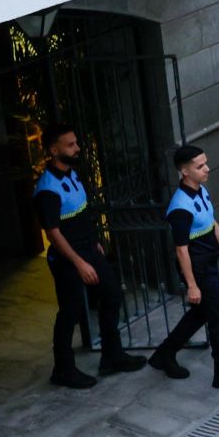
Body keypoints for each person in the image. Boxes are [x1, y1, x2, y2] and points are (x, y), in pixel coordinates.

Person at [34, 124, 146, 389]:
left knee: (112, 295)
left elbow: (81, 213)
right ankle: (63, 369)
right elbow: (54, 234)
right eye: (70, 144)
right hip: (68, 258)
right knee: (70, 313)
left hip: (88, 248)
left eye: (76, 143)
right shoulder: (47, 189)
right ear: (54, 150)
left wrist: (94, 242)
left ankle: (112, 355)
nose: (77, 148)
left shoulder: (72, 173)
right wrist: (79, 263)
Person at [146, 145, 219, 391]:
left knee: (201, 313)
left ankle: (164, 354)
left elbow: (211, 221)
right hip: (198, 270)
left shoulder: (201, 191)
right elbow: (181, 250)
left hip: (208, 263)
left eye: (206, 163)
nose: (207, 169)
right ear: (184, 171)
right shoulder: (180, 208)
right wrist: (192, 285)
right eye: (200, 166)